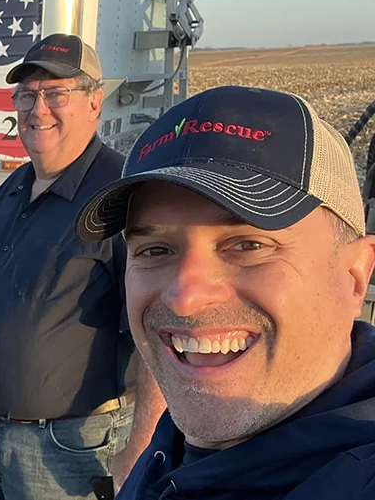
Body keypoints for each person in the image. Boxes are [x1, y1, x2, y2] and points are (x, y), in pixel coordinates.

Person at [75, 85, 375, 498]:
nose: (186, 296)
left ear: (355, 274)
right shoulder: (170, 450)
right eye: (155, 249)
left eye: (248, 245)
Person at [0, 33, 165, 500]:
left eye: (55, 93)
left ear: (93, 102)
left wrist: (142, 447)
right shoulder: (11, 188)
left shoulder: (122, 197)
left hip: (66, 444)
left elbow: (160, 332)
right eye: (27, 95)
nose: (37, 109)